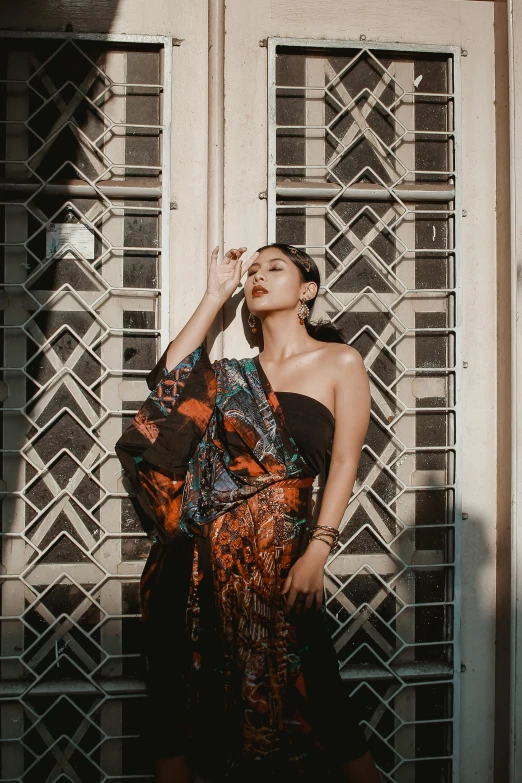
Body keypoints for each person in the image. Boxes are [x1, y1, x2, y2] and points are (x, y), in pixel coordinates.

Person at [115, 243, 380, 783]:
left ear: (307, 288)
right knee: (177, 707)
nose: (258, 275)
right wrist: (216, 294)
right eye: (252, 270)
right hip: (194, 560)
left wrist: (319, 552)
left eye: (274, 267)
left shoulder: (340, 362)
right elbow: (166, 387)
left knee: (322, 701)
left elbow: (346, 462)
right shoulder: (228, 374)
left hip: (281, 559)